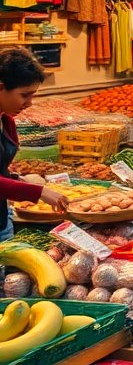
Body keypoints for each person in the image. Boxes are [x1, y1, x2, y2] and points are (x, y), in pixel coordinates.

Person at [0, 49, 69, 240]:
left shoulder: (7, 122)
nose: (29, 103)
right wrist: (39, 191)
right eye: (24, 95)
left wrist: (18, 180)